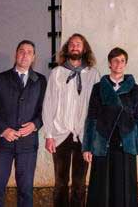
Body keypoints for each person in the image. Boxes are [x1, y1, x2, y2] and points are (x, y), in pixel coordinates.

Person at [82, 47, 138, 207]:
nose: (119, 64)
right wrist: (87, 147)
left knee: (125, 186)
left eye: (122, 61)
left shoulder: (134, 89)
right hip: (103, 142)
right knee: (101, 187)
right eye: (115, 61)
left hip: (126, 142)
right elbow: (91, 118)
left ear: (125, 64)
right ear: (109, 64)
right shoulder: (99, 88)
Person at [0, 40, 47, 207]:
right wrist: (3, 129)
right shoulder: (0, 78)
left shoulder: (40, 81)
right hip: (3, 143)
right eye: (21, 51)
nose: (25, 54)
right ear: (16, 54)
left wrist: (35, 124)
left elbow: (45, 110)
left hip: (27, 145)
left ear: (34, 57)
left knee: (25, 191)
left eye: (29, 52)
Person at [42, 33, 100, 207]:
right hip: (61, 134)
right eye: (72, 44)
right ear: (67, 49)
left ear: (84, 49)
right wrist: (49, 135)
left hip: (84, 135)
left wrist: (93, 137)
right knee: (60, 182)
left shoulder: (92, 74)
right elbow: (48, 104)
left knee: (80, 183)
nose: (75, 47)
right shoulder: (57, 73)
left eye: (79, 44)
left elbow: (97, 108)